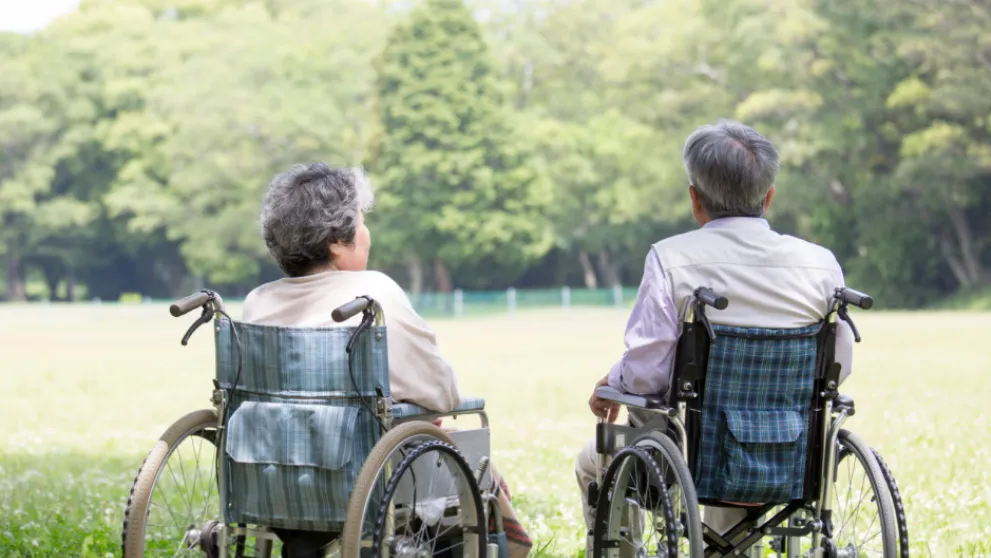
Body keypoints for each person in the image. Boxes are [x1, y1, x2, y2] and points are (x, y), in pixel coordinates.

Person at [574, 120, 856, 539]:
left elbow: (645, 375)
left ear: (694, 198)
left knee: (592, 462)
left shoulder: (672, 259)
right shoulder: (820, 265)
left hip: (694, 457)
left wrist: (613, 381)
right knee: (731, 454)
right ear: (769, 196)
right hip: (792, 452)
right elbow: (839, 366)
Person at [242, 162, 532, 558]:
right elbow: (440, 392)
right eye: (362, 221)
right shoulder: (372, 294)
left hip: (273, 476)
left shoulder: (258, 302)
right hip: (364, 479)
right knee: (454, 443)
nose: (367, 233)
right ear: (336, 241)